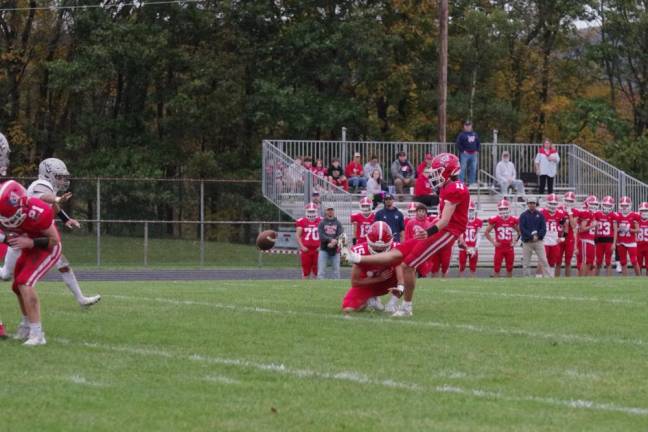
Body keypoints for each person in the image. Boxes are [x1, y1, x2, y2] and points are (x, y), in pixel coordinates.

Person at [342, 153, 469, 317]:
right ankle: (356, 258)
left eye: (438, 171)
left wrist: (428, 231)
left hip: (447, 231)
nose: (434, 175)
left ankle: (407, 307)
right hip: (439, 227)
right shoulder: (447, 187)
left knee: (407, 265)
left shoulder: (455, 189)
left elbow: (445, 221)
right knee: (399, 253)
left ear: (448, 171)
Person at [1, 158, 101, 308]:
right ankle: (80, 299)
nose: (62, 180)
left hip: (34, 236)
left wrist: (66, 218)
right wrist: (57, 198)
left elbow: (52, 205)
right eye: (59, 176)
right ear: (49, 175)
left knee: (63, 263)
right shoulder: (40, 185)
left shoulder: (49, 188)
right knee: (5, 275)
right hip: (22, 237)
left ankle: (81, 298)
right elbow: (44, 196)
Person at [0, 180, 62, 346]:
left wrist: (30, 243)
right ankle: (26, 326)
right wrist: (9, 239)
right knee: (16, 286)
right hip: (29, 247)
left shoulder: (37, 210)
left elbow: (54, 240)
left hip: (46, 247)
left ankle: (37, 334)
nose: (8, 221)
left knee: (25, 282)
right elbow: (5, 236)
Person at [341, 221, 399, 314]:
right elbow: (355, 282)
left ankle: (393, 303)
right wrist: (379, 278)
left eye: (383, 248)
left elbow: (406, 277)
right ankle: (370, 299)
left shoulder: (397, 248)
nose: (379, 250)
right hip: (368, 283)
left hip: (390, 282)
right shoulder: (360, 250)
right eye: (375, 247)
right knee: (348, 308)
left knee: (407, 269)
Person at [484, 199, 519, 278]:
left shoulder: (512, 220)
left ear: (509, 208)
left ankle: (510, 286)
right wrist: (493, 242)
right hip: (499, 247)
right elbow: (486, 232)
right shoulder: (495, 220)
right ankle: (496, 285)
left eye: (505, 208)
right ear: (498, 209)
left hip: (509, 247)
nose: (503, 211)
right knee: (497, 268)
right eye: (501, 209)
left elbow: (519, 232)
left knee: (509, 268)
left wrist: (515, 240)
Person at [519, 196, 553, 278]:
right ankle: (526, 278)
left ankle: (549, 277)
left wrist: (538, 236)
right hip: (527, 242)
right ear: (527, 204)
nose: (532, 205)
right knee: (526, 262)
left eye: (533, 203)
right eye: (530, 203)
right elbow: (522, 228)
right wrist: (531, 236)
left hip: (538, 241)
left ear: (536, 204)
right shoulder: (523, 215)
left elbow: (543, 228)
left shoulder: (540, 215)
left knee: (544, 260)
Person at [541, 194, 568, 277]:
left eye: (554, 204)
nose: (552, 206)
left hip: (554, 241)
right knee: (543, 261)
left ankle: (550, 277)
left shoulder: (560, 214)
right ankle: (540, 278)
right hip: (544, 240)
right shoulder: (541, 213)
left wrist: (563, 237)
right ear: (547, 203)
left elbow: (565, 226)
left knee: (552, 262)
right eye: (551, 203)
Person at [615, 196, 640, 276]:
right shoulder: (617, 215)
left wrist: (629, 230)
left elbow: (637, 230)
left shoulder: (634, 215)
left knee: (634, 261)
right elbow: (614, 230)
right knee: (623, 262)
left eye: (626, 205)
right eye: (622, 205)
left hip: (631, 241)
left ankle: (639, 277)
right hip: (621, 241)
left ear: (630, 205)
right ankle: (625, 278)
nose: (624, 207)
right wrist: (619, 229)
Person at [295, 203, 321, 279]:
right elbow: (297, 235)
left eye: (313, 211)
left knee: (317, 272)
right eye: (310, 211)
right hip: (306, 250)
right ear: (306, 211)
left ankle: (315, 288)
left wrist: (321, 246)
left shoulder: (321, 221)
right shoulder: (301, 221)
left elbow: (324, 235)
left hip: (317, 249)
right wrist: (302, 247)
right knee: (306, 272)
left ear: (316, 211)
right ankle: (304, 287)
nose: (311, 213)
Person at [317, 206, 344, 279]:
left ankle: (336, 286)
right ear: (326, 211)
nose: (330, 211)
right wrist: (330, 240)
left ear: (334, 211)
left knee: (336, 271)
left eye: (331, 210)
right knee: (321, 271)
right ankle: (319, 287)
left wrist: (334, 242)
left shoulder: (338, 223)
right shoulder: (322, 223)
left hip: (335, 250)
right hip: (324, 249)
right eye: (328, 210)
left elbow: (340, 234)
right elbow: (321, 235)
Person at [575, 195, 598, 276]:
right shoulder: (586, 213)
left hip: (591, 241)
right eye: (592, 204)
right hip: (585, 240)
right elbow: (582, 229)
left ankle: (587, 279)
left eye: (595, 204)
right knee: (585, 262)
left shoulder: (592, 214)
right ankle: (582, 280)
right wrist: (592, 226)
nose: (594, 206)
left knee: (590, 263)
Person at [593, 196, 617, 276]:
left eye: (609, 205)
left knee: (608, 261)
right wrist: (594, 239)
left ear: (612, 206)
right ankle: (595, 278)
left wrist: (614, 243)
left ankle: (609, 279)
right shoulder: (597, 214)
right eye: (606, 205)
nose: (607, 207)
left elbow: (615, 230)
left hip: (609, 241)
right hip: (599, 240)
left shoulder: (613, 215)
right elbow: (595, 228)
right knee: (598, 261)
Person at [458, 201, 482, 277]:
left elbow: (478, 235)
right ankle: (461, 281)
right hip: (463, 247)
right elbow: (460, 236)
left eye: (471, 210)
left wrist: (476, 248)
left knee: (473, 267)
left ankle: (472, 280)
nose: (470, 212)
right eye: (468, 210)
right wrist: (465, 247)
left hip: (473, 246)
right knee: (462, 266)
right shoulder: (462, 220)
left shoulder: (478, 221)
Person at [455, 120, 480, 185]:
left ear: (471, 126)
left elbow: (478, 143)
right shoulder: (461, 134)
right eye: (466, 125)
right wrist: (463, 151)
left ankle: (471, 182)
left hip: (474, 154)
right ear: (464, 126)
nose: (468, 127)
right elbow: (458, 143)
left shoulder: (475, 134)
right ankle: (461, 182)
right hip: (465, 154)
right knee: (462, 168)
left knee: (473, 169)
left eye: (469, 125)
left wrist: (477, 150)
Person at [560, 192, 578, 277]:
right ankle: (555, 279)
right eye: (567, 200)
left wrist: (570, 213)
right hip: (560, 236)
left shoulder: (575, 211)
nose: (568, 202)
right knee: (557, 261)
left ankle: (567, 280)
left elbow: (574, 225)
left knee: (568, 261)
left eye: (570, 201)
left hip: (569, 237)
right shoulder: (559, 209)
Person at [637, 202, 648, 275]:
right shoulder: (636, 220)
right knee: (638, 265)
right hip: (638, 245)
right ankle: (638, 281)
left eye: (646, 210)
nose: (644, 212)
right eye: (642, 210)